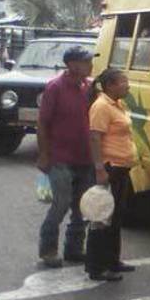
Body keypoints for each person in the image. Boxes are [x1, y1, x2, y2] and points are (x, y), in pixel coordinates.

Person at [37, 46, 98, 268]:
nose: (90, 65)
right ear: (72, 65)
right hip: (60, 157)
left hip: (85, 157)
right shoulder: (55, 87)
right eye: (86, 61)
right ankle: (48, 250)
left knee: (82, 208)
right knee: (60, 204)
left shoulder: (88, 87)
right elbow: (43, 123)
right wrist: (44, 154)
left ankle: (74, 249)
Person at [85, 68, 138, 282]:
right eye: (123, 82)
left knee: (116, 217)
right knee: (102, 217)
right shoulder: (101, 106)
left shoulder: (117, 104)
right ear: (110, 86)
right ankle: (97, 267)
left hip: (121, 168)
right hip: (109, 167)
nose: (128, 85)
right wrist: (99, 168)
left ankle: (112, 260)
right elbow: (95, 138)